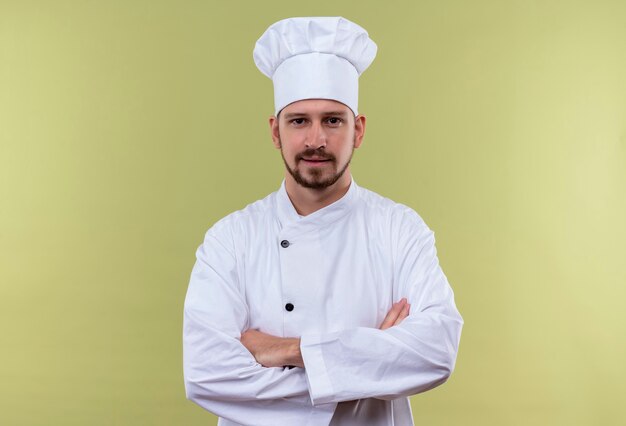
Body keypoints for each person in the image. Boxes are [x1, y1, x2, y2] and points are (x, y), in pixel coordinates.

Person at [183, 16, 463, 426]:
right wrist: (372, 358)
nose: (316, 140)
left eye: (333, 120)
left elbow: (436, 351)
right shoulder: (231, 239)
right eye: (299, 121)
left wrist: (289, 351)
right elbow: (206, 375)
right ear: (275, 132)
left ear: (359, 130)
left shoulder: (400, 229)